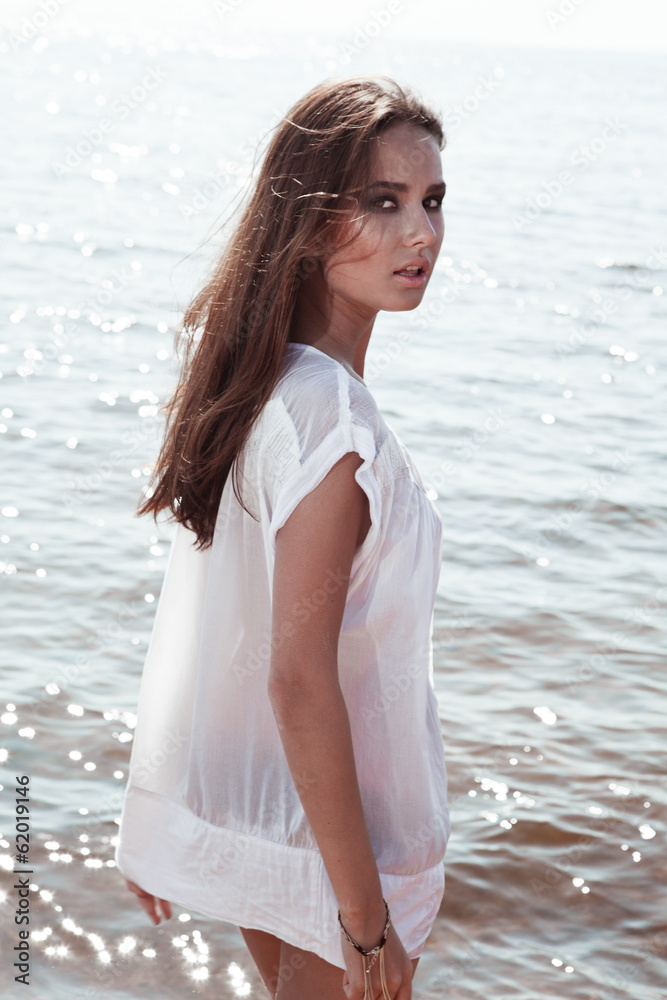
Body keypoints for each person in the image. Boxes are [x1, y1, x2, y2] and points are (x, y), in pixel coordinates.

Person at [115, 74, 450, 1000]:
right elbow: (294, 675)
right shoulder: (331, 423)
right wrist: (363, 919)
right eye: (381, 203)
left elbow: (217, 625)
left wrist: (178, 814)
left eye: (430, 202)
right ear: (304, 223)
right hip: (344, 851)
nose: (420, 233)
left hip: (282, 823)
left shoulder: (269, 391)